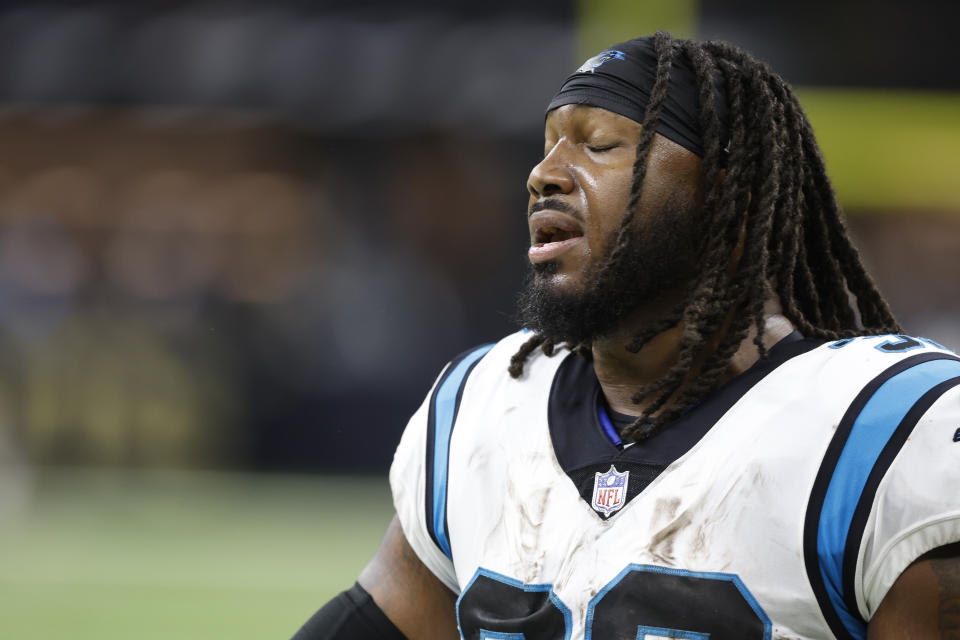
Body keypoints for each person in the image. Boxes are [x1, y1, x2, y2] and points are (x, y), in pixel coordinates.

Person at [292, 32, 960, 639]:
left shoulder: (886, 431)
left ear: (726, 197)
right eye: (549, 142)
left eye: (598, 144)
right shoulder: (484, 405)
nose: (545, 173)